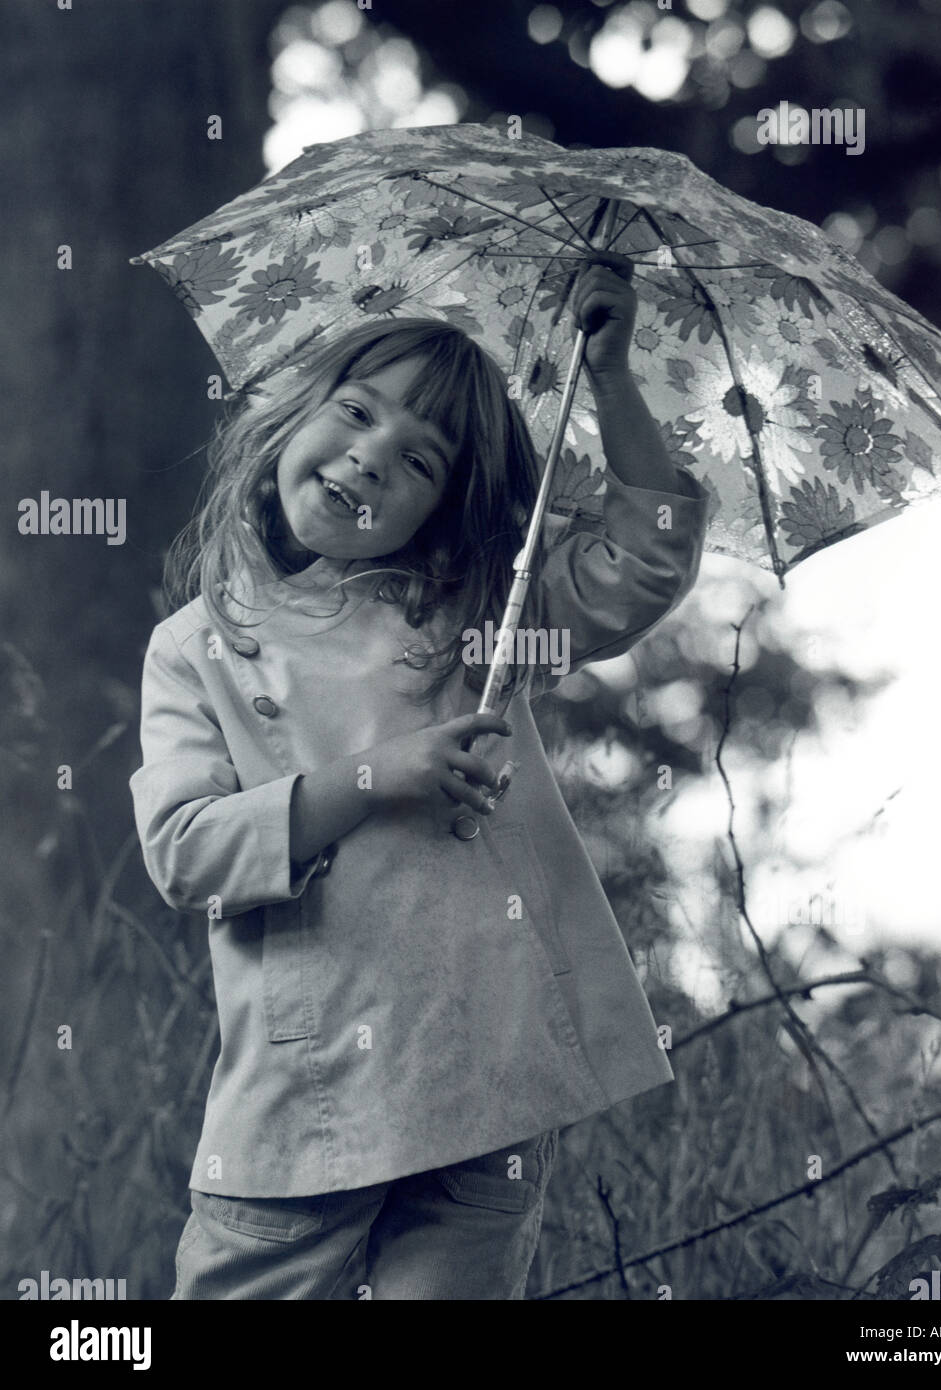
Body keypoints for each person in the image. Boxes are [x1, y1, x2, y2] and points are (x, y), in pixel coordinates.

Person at [129, 255, 709, 1300]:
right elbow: (184, 847)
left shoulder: (470, 617)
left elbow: (644, 563)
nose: (369, 459)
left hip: (482, 1068)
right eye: (354, 413)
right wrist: (370, 777)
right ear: (286, 424)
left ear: (443, 512)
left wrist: (612, 379)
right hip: (302, 1085)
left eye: (420, 461)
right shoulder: (199, 645)